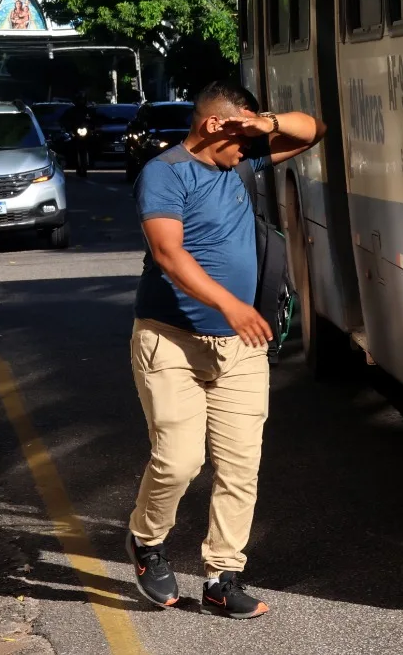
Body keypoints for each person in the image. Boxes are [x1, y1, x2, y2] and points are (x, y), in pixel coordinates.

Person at [125, 81, 324, 618]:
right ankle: (146, 543)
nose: (252, 149)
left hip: (240, 349)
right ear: (214, 125)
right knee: (179, 460)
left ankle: (222, 576)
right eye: (243, 132)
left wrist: (269, 123)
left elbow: (315, 130)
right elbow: (168, 254)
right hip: (171, 341)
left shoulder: (241, 160)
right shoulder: (164, 174)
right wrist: (231, 305)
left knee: (241, 466)